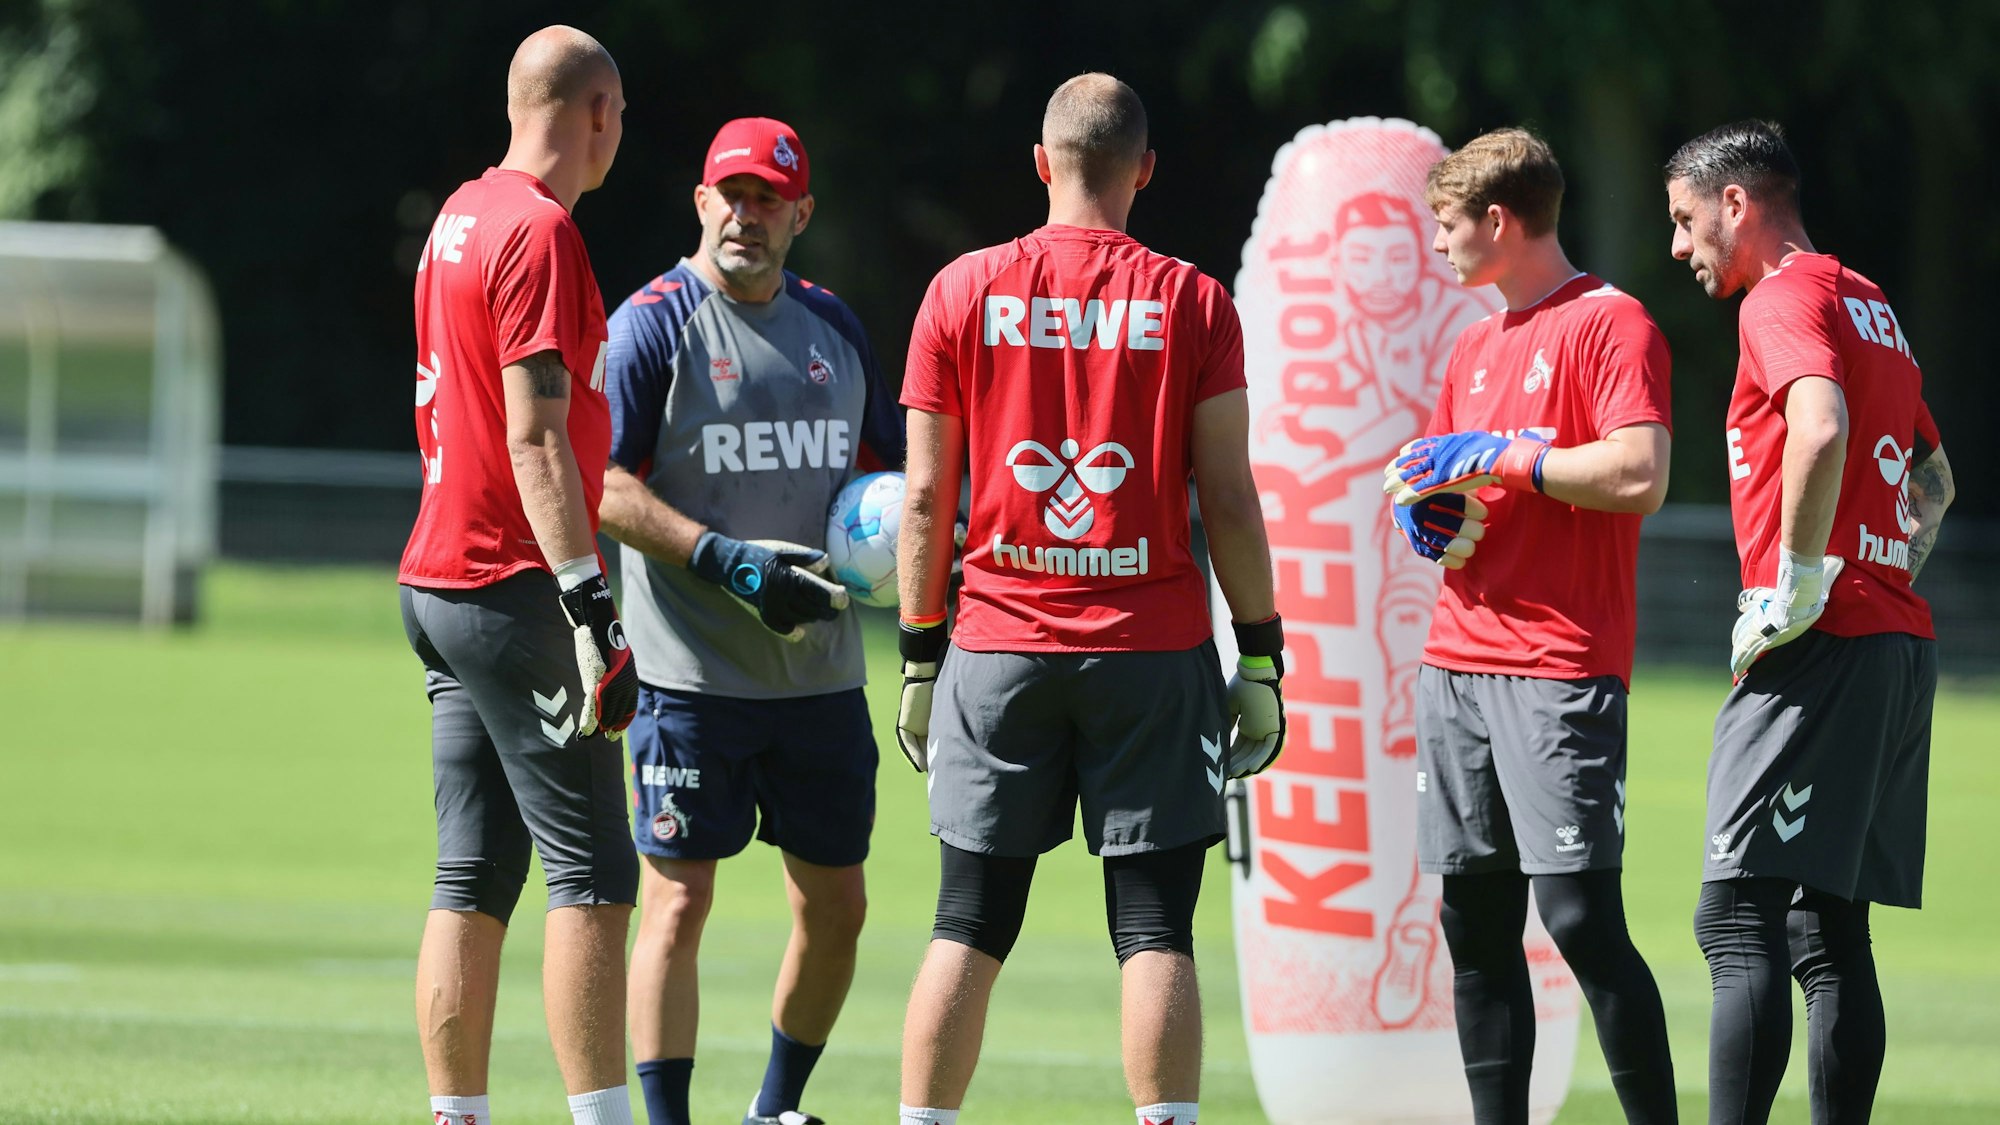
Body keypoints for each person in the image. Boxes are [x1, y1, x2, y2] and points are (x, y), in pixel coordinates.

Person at [892, 73, 1284, 1125]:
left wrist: (919, 652)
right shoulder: (1195, 301)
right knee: (1154, 927)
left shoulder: (960, 291)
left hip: (995, 643)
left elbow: (927, 494)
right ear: (1142, 170)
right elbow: (1231, 500)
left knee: (966, 921)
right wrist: (1260, 657)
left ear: (1040, 162)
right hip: (1150, 652)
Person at [597, 116, 904, 1125]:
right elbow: (600, 485)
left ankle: (774, 1108)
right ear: (700, 202)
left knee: (836, 909)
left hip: (817, 680)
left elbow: (877, 479)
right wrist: (724, 562)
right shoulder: (653, 325)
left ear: (800, 213)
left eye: (768, 198)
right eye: (730, 194)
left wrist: (892, 550)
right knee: (677, 901)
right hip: (689, 680)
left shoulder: (836, 329)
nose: (745, 213)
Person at [1380, 127, 1678, 1125]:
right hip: (1454, 663)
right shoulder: (1470, 345)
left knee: (1579, 918)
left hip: (1557, 666)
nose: (1437, 246)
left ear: (1498, 222)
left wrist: (1503, 458)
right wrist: (1427, 513)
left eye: (1447, 227)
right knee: (1469, 921)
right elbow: (1450, 488)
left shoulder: (1611, 323)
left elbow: (1636, 473)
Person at [1665, 119, 1954, 1125]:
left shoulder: (1778, 298)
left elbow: (1819, 424)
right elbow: (1932, 479)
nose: (1677, 245)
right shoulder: (1867, 300)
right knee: (1827, 931)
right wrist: (1878, 569)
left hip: (1816, 644)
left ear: (1733, 205)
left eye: (1684, 218)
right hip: (1892, 639)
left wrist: (1790, 588)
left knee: (1732, 916)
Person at [397, 26, 639, 1125]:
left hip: (439, 580)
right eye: (619, 117)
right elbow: (535, 436)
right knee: (592, 871)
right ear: (597, 114)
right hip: (509, 586)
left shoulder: (459, 212)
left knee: (473, 876)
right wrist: (590, 606)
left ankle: (457, 1115)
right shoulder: (538, 232)